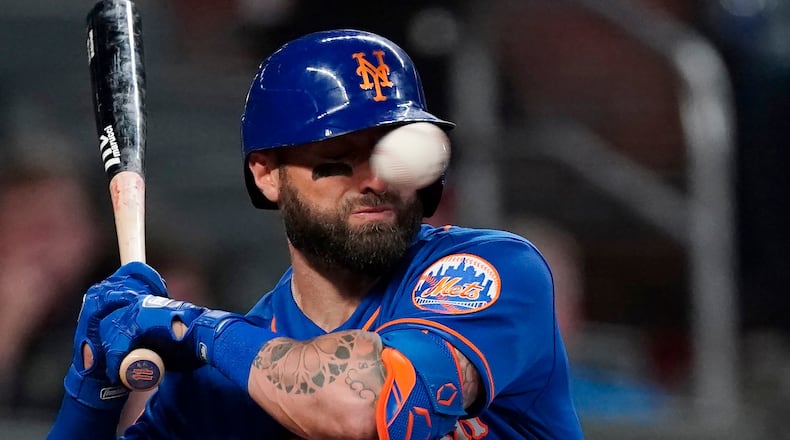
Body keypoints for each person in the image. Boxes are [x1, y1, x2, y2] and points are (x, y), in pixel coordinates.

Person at [47, 29, 583, 439]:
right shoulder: (224, 378)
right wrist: (91, 388)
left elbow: (363, 408)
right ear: (267, 174)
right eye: (338, 158)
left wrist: (195, 327)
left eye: (393, 155)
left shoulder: (486, 271)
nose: (376, 181)